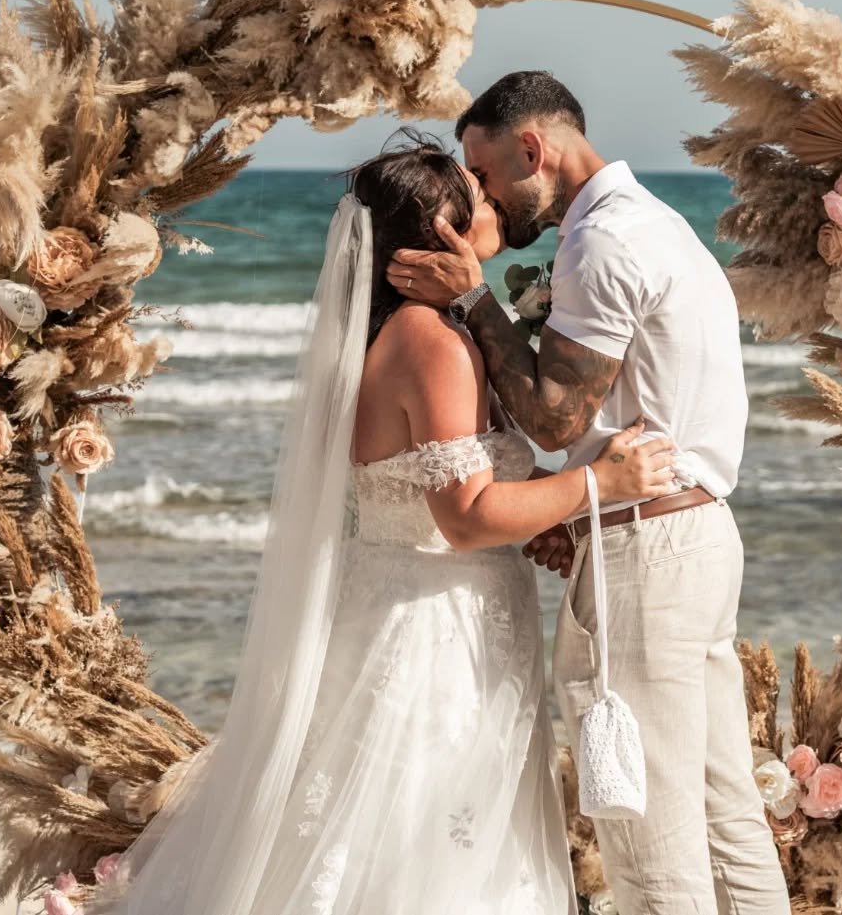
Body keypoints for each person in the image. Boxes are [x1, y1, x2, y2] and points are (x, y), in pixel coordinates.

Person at [94, 130, 676, 915]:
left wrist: (548, 505)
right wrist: (598, 483)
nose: (490, 199)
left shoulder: (407, 331)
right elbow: (465, 516)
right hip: (433, 634)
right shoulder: (431, 342)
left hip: (417, 609)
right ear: (442, 234)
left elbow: (461, 479)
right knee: (424, 844)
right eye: (474, 195)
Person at [388, 72, 791, 915]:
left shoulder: (602, 243)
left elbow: (557, 417)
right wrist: (574, 507)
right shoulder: (660, 226)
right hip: (698, 534)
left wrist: (471, 298)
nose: (487, 195)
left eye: (486, 173)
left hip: (650, 554)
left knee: (651, 845)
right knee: (726, 820)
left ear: (532, 148)